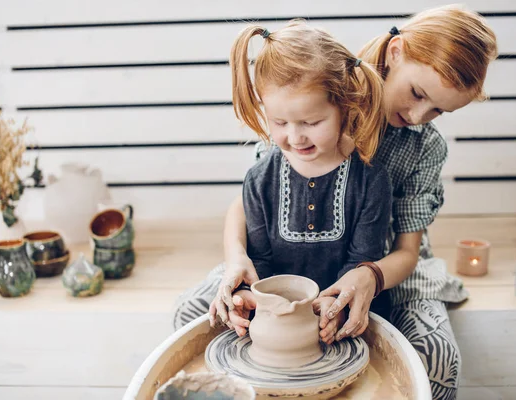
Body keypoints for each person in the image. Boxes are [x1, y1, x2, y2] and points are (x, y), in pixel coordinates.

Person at [173, 5, 497, 400]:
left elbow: (407, 252)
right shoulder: (319, 89)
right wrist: (237, 258)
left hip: (386, 265)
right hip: (282, 255)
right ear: (396, 52)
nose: (417, 115)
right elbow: (251, 198)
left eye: (437, 111)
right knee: (193, 315)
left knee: (438, 358)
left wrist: (368, 277)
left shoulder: (423, 147)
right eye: (417, 93)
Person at [220, 18, 392, 343]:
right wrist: (252, 298)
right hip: (276, 313)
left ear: (346, 106)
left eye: (311, 121)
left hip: (345, 309)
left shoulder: (371, 181)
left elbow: (360, 262)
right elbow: (260, 261)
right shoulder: (260, 180)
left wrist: (333, 306)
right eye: (279, 122)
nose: (295, 137)